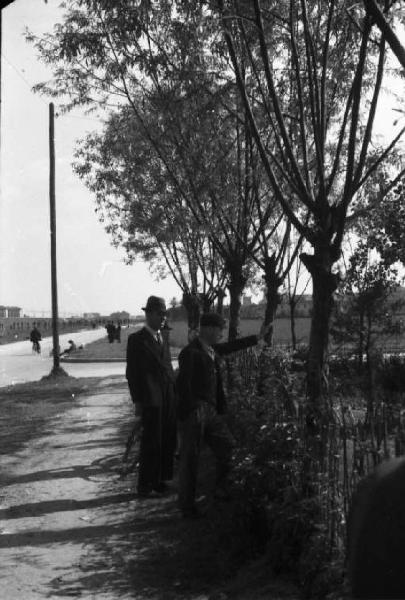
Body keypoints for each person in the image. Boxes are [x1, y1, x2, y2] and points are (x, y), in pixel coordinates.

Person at [176, 312, 267, 519]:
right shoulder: (190, 353)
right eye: (219, 329)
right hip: (196, 413)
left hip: (211, 412)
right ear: (207, 329)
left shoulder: (211, 350)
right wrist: (192, 410)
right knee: (190, 460)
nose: (221, 333)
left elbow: (231, 347)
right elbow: (183, 386)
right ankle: (187, 507)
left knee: (229, 449)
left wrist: (257, 338)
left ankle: (219, 489)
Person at [126, 296, 177, 497]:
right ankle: (145, 485)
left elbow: (168, 368)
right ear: (148, 314)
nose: (163, 318)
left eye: (165, 314)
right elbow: (132, 374)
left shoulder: (162, 338)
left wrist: (174, 392)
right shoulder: (136, 340)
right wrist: (137, 401)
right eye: (159, 314)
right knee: (151, 441)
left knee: (166, 440)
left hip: (167, 396)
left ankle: (159, 480)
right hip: (150, 398)